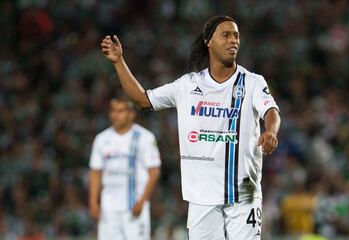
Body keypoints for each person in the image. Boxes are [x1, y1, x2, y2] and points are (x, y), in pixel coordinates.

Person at [101, 15, 281, 240]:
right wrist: (119, 62)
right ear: (209, 41)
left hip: (243, 192)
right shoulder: (188, 85)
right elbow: (142, 99)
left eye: (236, 35)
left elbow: (271, 111)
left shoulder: (253, 82)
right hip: (201, 196)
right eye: (225, 35)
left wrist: (271, 131)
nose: (233, 40)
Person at [88, 98, 161, 240]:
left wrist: (142, 200)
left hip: (134, 206)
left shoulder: (145, 138)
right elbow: (95, 172)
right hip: (108, 208)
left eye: (120, 111)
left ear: (131, 114)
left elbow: (154, 172)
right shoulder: (101, 139)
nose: (115, 115)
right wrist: (93, 201)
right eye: (113, 111)